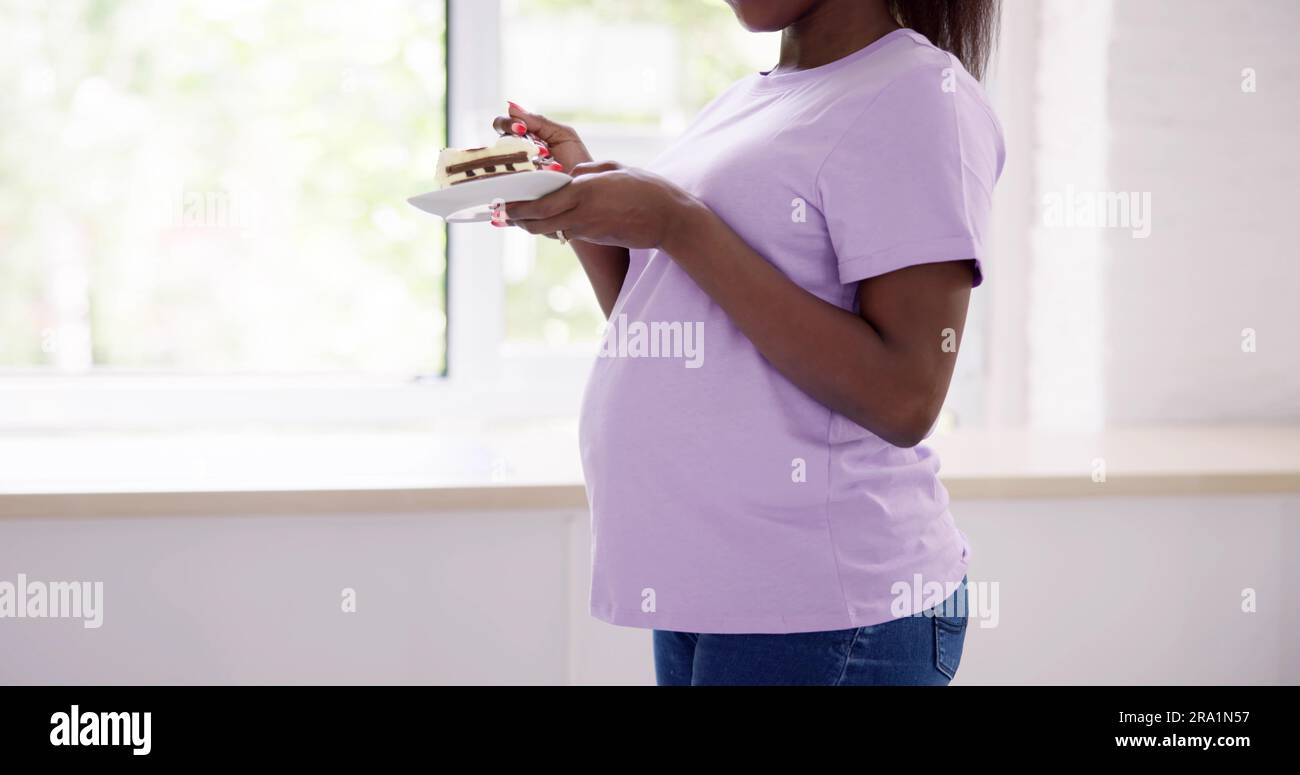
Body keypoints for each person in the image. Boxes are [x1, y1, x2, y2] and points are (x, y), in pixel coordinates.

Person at [499, 0, 1003, 686]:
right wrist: (582, 205)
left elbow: (905, 395)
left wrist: (679, 223)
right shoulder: (750, 99)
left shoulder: (918, 95)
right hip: (712, 590)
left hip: (823, 607)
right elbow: (676, 322)